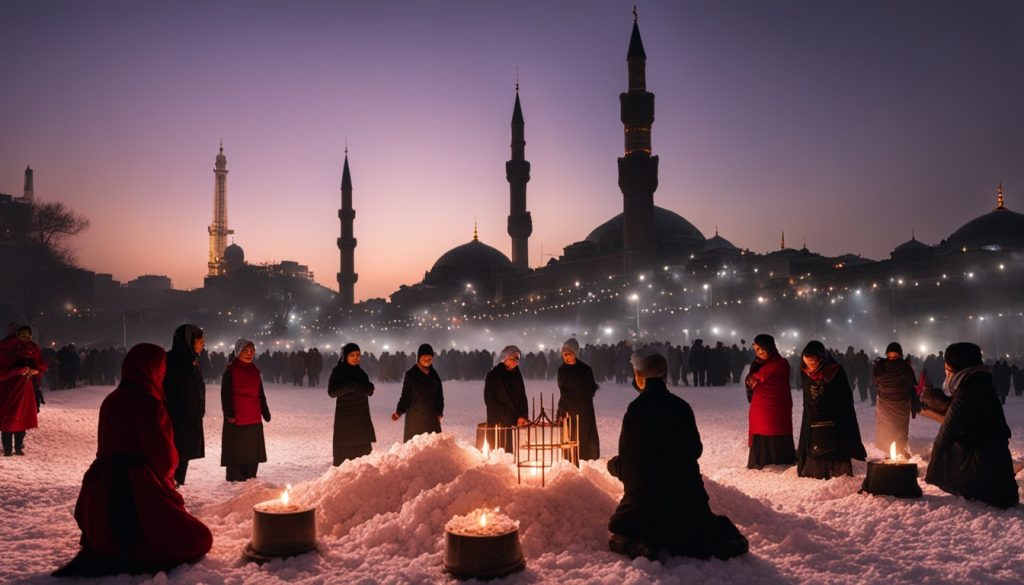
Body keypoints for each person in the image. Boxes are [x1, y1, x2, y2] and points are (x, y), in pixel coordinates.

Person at [53, 343, 212, 577]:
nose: (164, 372)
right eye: (162, 367)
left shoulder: (112, 400)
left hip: (101, 489)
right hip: (138, 488)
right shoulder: (149, 404)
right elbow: (164, 459)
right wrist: (166, 485)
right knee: (198, 538)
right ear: (152, 369)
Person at [607, 350, 748, 561]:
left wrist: (614, 466)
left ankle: (644, 545)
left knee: (617, 525)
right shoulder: (682, 407)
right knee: (707, 523)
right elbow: (696, 450)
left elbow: (630, 462)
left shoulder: (637, 410)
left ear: (640, 375)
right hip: (689, 502)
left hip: (648, 504)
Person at [922, 342, 1019, 508]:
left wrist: (936, 457)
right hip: (992, 452)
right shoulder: (977, 379)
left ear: (956, 363)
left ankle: (970, 488)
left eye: (947, 362)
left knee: (947, 447)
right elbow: (953, 405)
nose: (945, 367)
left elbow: (950, 426)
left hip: (983, 456)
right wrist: (929, 396)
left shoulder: (969, 386)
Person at [796, 341, 866, 479]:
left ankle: (836, 470)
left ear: (821, 358)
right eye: (806, 360)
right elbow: (807, 396)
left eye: (813, 361)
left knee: (834, 446)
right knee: (814, 445)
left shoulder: (835, 371)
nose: (810, 365)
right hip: (812, 416)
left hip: (835, 418)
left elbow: (844, 397)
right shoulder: (805, 371)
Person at [220, 338, 271, 482]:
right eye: (245, 351)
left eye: (252, 351)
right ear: (238, 352)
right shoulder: (230, 370)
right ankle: (236, 477)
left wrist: (265, 410)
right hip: (237, 419)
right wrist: (229, 414)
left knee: (251, 450)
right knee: (237, 450)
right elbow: (225, 395)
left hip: (253, 417)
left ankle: (250, 475)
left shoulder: (254, 370)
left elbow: (260, 392)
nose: (249, 354)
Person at [744, 333, 795, 469]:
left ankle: (780, 459)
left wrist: (756, 378)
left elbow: (776, 381)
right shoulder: (756, 364)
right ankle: (762, 460)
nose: (759, 352)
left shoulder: (781, 363)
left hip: (778, 404)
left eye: (761, 349)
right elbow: (751, 381)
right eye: (756, 349)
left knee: (776, 428)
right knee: (761, 429)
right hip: (760, 405)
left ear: (770, 348)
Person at [163, 324, 206, 486]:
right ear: (187, 341)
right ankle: (170, 490)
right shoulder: (172, 362)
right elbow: (168, 391)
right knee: (175, 458)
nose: (203, 344)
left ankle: (176, 487)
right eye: (200, 341)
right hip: (177, 420)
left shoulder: (192, 360)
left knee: (184, 456)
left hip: (191, 419)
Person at [0, 325, 46, 456]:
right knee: (8, 419)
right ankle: (8, 449)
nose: (26, 337)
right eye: (23, 334)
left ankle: (19, 447)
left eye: (28, 334)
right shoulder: (6, 348)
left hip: (26, 388)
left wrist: (36, 371)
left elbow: (40, 365)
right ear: (17, 334)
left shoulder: (33, 347)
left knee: (23, 418)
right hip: (9, 389)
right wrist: (17, 371)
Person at [328, 343, 376, 465]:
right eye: (352, 355)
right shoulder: (338, 371)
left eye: (358, 355)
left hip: (361, 417)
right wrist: (349, 386)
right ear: (345, 356)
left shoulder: (360, 372)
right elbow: (332, 392)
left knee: (362, 457)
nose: (356, 358)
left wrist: (363, 387)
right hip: (345, 417)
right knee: (345, 453)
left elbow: (369, 389)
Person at [556, 338, 600, 460]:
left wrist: (582, 398)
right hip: (568, 406)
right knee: (570, 435)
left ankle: (586, 458)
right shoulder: (562, 370)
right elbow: (562, 390)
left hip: (584, 408)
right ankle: (571, 459)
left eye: (569, 354)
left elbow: (591, 388)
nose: (566, 357)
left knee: (584, 434)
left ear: (575, 354)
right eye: (564, 355)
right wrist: (562, 408)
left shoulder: (585, 369)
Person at [392, 343, 444, 442]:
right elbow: (406, 396)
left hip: (432, 418)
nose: (427, 360)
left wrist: (439, 412)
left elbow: (439, 396)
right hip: (416, 419)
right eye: (425, 357)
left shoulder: (434, 375)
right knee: (416, 447)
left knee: (433, 447)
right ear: (419, 357)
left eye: (430, 358)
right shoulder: (411, 375)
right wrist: (399, 412)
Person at [872, 342, 916, 458]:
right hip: (902, 403)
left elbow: (876, 383)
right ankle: (899, 448)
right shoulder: (906, 367)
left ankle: (889, 448)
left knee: (886, 425)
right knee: (900, 426)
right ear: (901, 355)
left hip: (884, 402)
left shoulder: (881, 367)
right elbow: (912, 384)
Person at [483, 345, 529, 451]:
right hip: (497, 420)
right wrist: (506, 415)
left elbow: (522, 396)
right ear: (505, 358)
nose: (516, 361)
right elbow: (490, 400)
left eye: (518, 359)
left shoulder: (517, 374)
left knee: (508, 450)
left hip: (512, 421)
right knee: (497, 449)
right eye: (513, 358)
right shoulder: (494, 375)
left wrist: (523, 415)